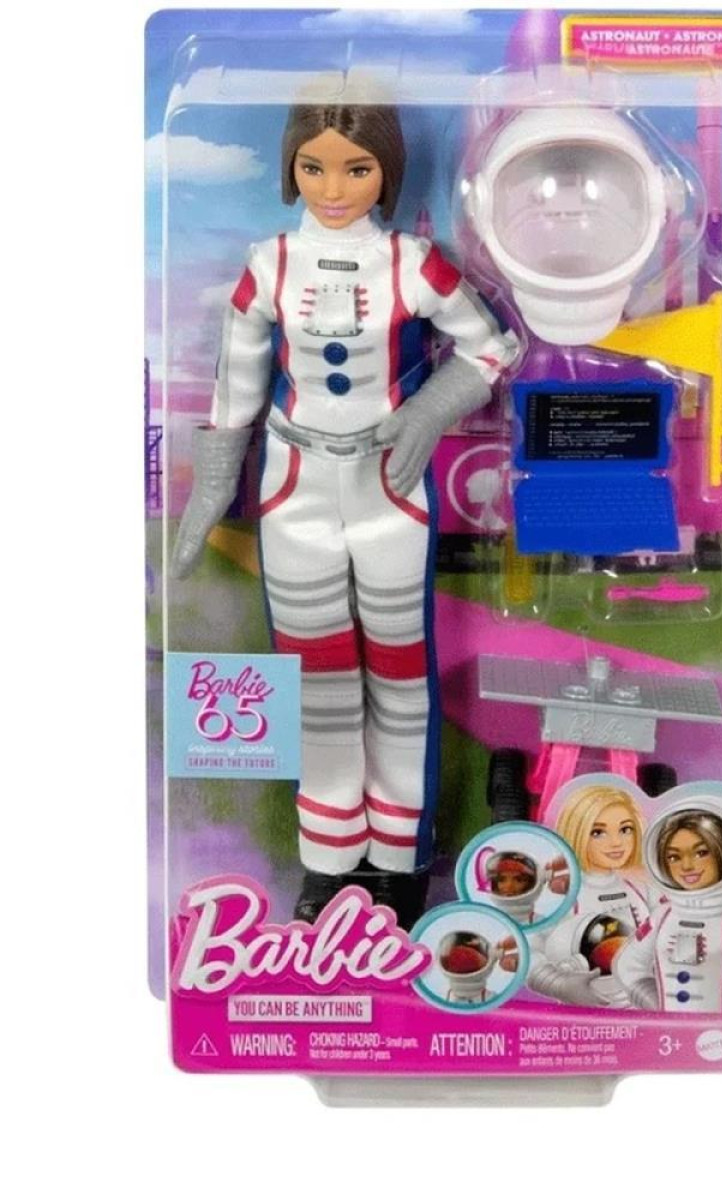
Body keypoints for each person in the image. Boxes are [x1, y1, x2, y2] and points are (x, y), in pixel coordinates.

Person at [170, 103, 519, 927]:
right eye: (314, 167)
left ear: (385, 173)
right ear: (291, 169)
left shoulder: (413, 264)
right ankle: (329, 860)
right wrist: (213, 484)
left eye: (356, 169)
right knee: (318, 681)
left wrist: (429, 410)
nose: (333, 188)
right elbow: (237, 379)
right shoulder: (270, 266)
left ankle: (398, 860)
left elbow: (492, 346)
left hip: (389, 487)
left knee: (400, 680)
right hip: (294, 491)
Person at [614, 796, 722, 1016]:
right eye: (674, 857)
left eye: (701, 853)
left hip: (718, 1034)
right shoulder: (663, 916)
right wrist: (654, 1002)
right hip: (666, 1031)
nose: (687, 866)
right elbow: (627, 966)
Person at [527, 783, 653, 1006]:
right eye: (598, 832)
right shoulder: (560, 892)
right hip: (583, 1015)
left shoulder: (640, 886)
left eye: (625, 829)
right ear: (577, 831)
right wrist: (557, 983)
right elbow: (524, 948)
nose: (616, 842)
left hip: (641, 1007)